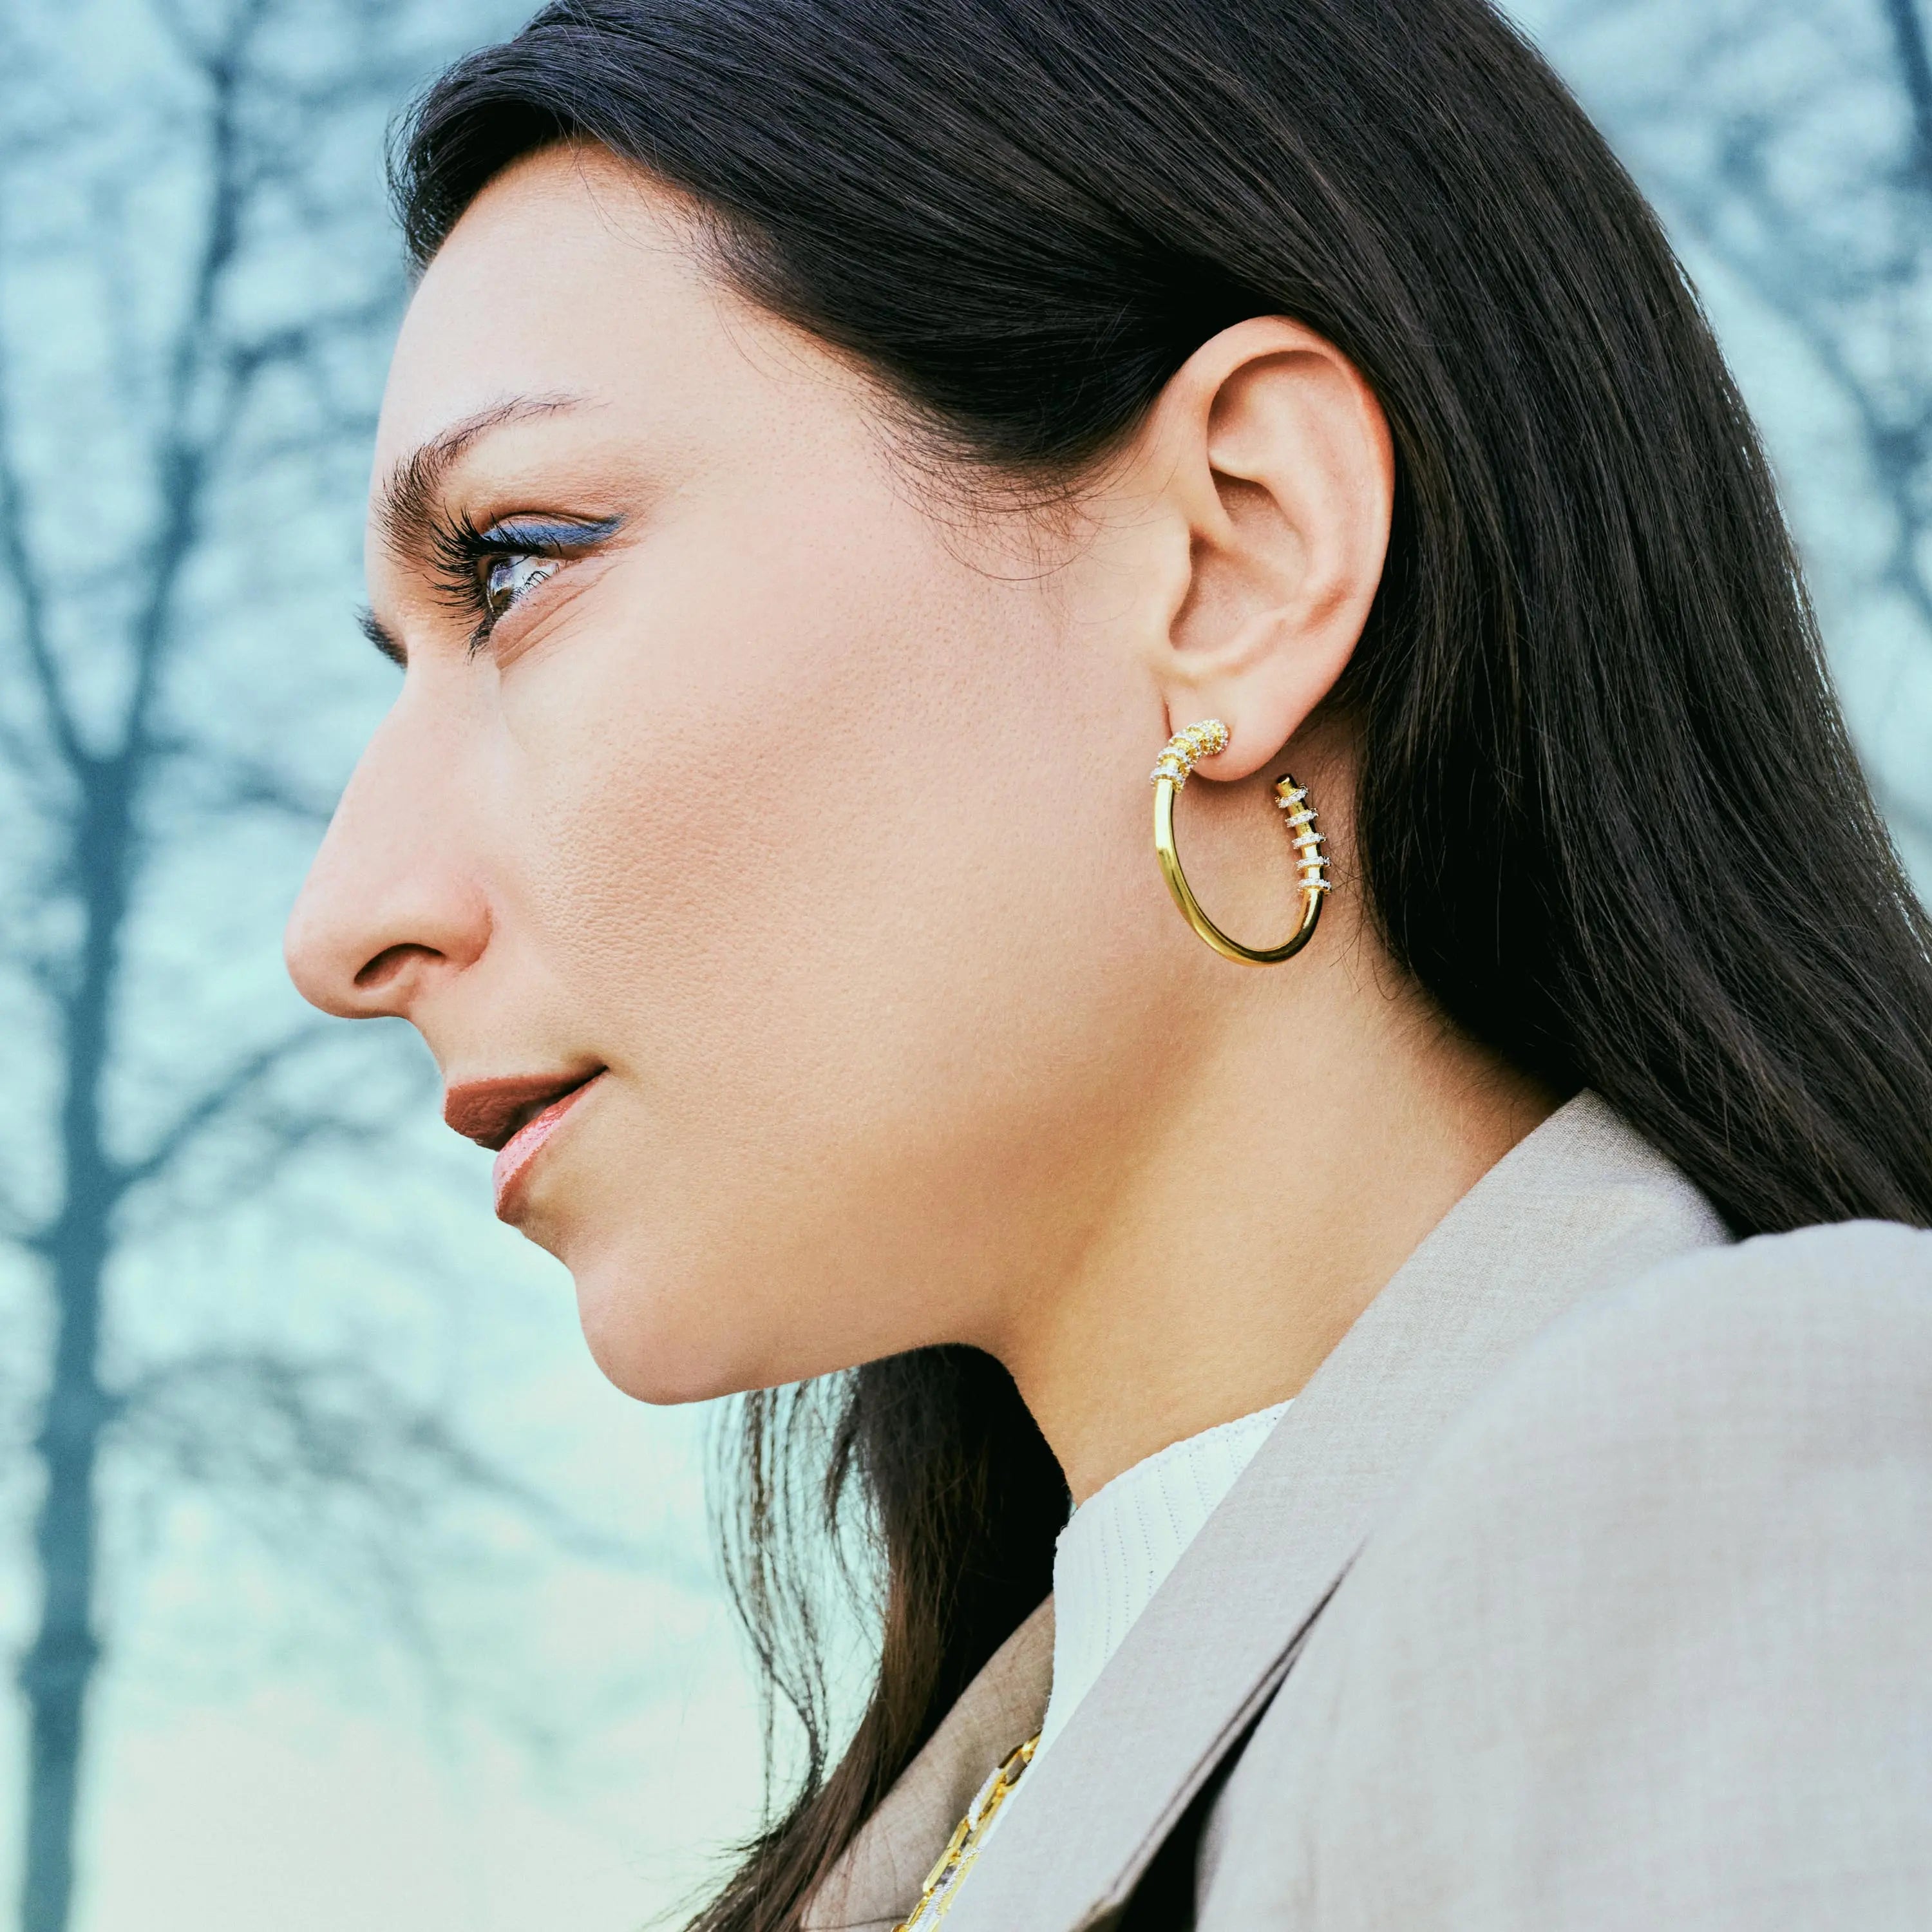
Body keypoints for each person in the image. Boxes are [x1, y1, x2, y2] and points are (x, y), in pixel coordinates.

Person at [281, 0, 1932, 1925]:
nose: (343, 920)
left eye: (520, 562)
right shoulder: (999, 1775)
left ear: (1239, 556)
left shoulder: (1751, 1489)